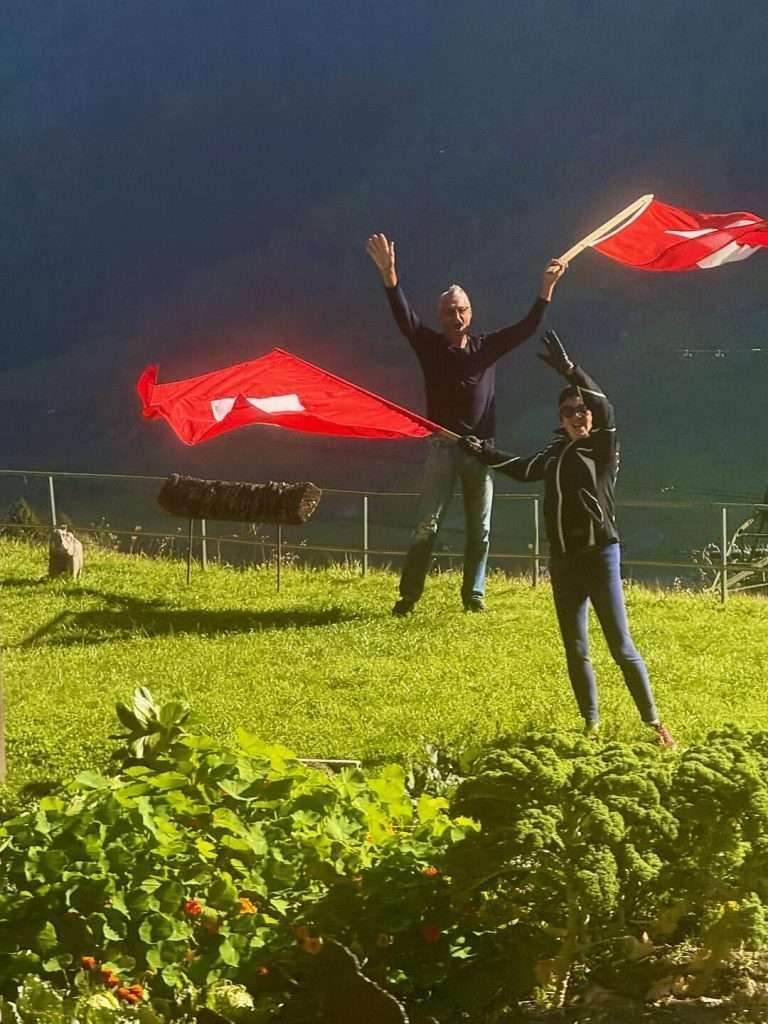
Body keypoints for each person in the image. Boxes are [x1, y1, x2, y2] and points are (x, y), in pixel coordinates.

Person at [460, 330, 676, 746]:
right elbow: (524, 469)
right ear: (560, 419)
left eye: (582, 410)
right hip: (563, 561)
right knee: (576, 649)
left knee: (621, 646)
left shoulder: (603, 447)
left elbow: (606, 407)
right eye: (568, 412)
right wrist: (483, 452)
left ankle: (655, 725)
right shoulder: (555, 453)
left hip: (599, 556)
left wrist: (570, 371)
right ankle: (591, 726)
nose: (577, 416)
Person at [366, 232, 566, 615]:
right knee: (427, 525)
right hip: (442, 447)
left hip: (481, 451)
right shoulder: (429, 346)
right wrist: (390, 277)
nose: (456, 317)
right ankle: (408, 596)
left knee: (481, 529)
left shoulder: (486, 346)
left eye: (461, 310)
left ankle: (474, 595)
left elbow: (525, 328)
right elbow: (405, 319)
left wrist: (546, 289)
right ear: (440, 317)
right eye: (449, 312)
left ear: (470, 313)